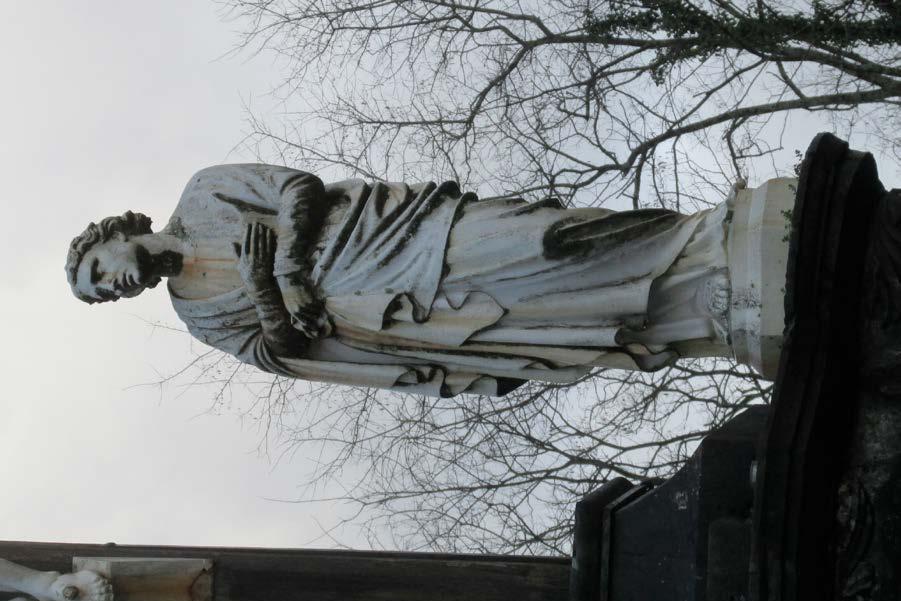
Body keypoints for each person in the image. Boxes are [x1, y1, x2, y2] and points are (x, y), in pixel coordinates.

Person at [67, 165, 731, 397]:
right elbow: (280, 354)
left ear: (113, 232)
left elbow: (298, 188)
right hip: (387, 314)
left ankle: (706, 240)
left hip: (397, 234)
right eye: (103, 296)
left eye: (99, 271)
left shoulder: (205, 193)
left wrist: (289, 268)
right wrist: (267, 292)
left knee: (549, 238)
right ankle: (701, 316)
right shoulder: (199, 315)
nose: (113, 287)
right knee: (551, 317)